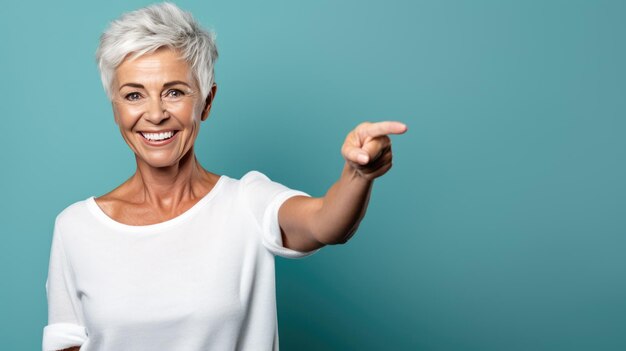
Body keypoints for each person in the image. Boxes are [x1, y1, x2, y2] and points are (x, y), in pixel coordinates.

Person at [42, 2, 407, 351]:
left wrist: (359, 174)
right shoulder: (76, 228)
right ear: (116, 109)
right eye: (134, 95)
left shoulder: (246, 203)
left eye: (174, 92)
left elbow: (326, 223)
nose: (155, 114)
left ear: (207, 101)